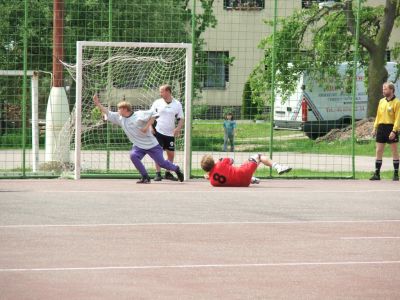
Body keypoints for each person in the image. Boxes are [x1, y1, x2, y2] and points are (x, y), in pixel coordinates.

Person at [93, 94, 184, 184]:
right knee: (133, 156)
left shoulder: (139, 115)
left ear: (125, 109)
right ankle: (145, 177)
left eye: (119, 109)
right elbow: (107, 112)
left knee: (162, 163)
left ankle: (176, 169)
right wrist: (97, 103)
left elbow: (154, 114)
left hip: (151, 144)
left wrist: (146, 127)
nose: (117, 111)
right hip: (138, 145)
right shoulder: (120, 118)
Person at [150, 84, 184, 181]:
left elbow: (181, 118)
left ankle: (168, 173)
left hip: (170, 133)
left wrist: (178, 128)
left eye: (162, 91)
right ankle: (158, 173)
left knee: (171, 154)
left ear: (168, 91)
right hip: (158, 131)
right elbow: (150, 115)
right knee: (158, 153)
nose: (160, 93)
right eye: (160, 91)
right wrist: (151, 127)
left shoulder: (177, 104)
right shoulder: (157, 102)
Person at [200, 153, 292, 187]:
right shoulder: (220, 163)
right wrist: (219, 161)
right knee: (259, 156)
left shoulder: (212, 182)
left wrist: (209, 175)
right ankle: (278, 167)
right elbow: (232, 160)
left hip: (244, 183)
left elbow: (216, 174)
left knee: (236, 169)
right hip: (245, 173)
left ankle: (252, 179)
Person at [370, 82, 400, 181]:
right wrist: (375, 127)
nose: (383, 91)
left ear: (391, 90)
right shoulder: (381, 101)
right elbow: (378, 115)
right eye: (383, 89)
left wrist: (394, 131)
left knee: (394, 151)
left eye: (385, 89)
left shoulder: (397, 102)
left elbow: (398, 118)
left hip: (391, 127)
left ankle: (396, 174)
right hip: (381, 128)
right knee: (378, 151)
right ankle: (377, 174)